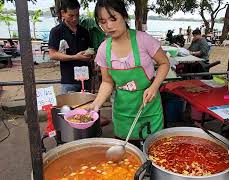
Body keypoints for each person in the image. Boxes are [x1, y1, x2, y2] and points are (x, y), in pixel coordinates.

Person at [89, 0, 169, 142]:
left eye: (113, 19)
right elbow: (107, 82)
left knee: (153, 153)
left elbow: (164, 63)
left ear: (124, 16)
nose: (108, 26)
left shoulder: (144, 40)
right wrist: (96, 104)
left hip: (149, 111)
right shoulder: (103, 49)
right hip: (123, 115)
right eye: (103, 21)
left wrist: (153, 87)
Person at [48, 0, 93, 94]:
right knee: (69, 108)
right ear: (63, 13)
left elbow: (91, 49)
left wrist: (90, 55)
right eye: (71, 15)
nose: (75, 19)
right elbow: (52, 54)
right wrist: (75, 57)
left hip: (86, 78)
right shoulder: (56, 31)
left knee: (87, 107)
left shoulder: (84, 31)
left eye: (77, 15)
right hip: (69, 79)